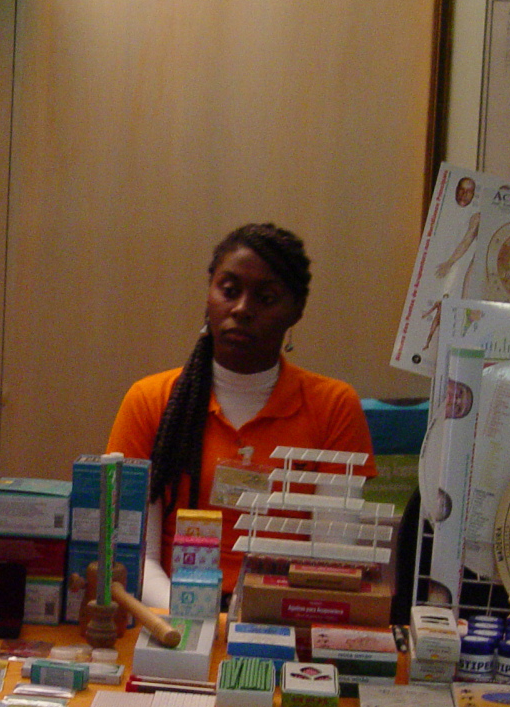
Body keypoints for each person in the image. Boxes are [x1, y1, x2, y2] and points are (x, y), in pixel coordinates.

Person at [105, 223, 375, 608]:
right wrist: (197, 617)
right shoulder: (150, 400)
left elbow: (331, 563)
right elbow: (138, 558)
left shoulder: (334, 406)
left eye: (266, 298)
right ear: (209, 293)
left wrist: (260, 619)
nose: (242, 309)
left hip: (285, 615)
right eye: (229, 291)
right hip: (170, 613)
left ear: (296, 312)